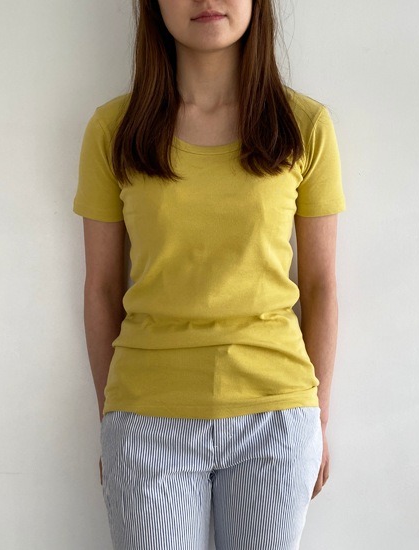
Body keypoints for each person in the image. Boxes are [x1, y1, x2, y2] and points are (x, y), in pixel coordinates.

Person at [72, 0, 345, 547]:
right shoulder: (114, 130)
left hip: (276, 418)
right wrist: (111, 417)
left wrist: (317, 420)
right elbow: (101, 289)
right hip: (146, 420)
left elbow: (320, 287)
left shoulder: (303, 126)